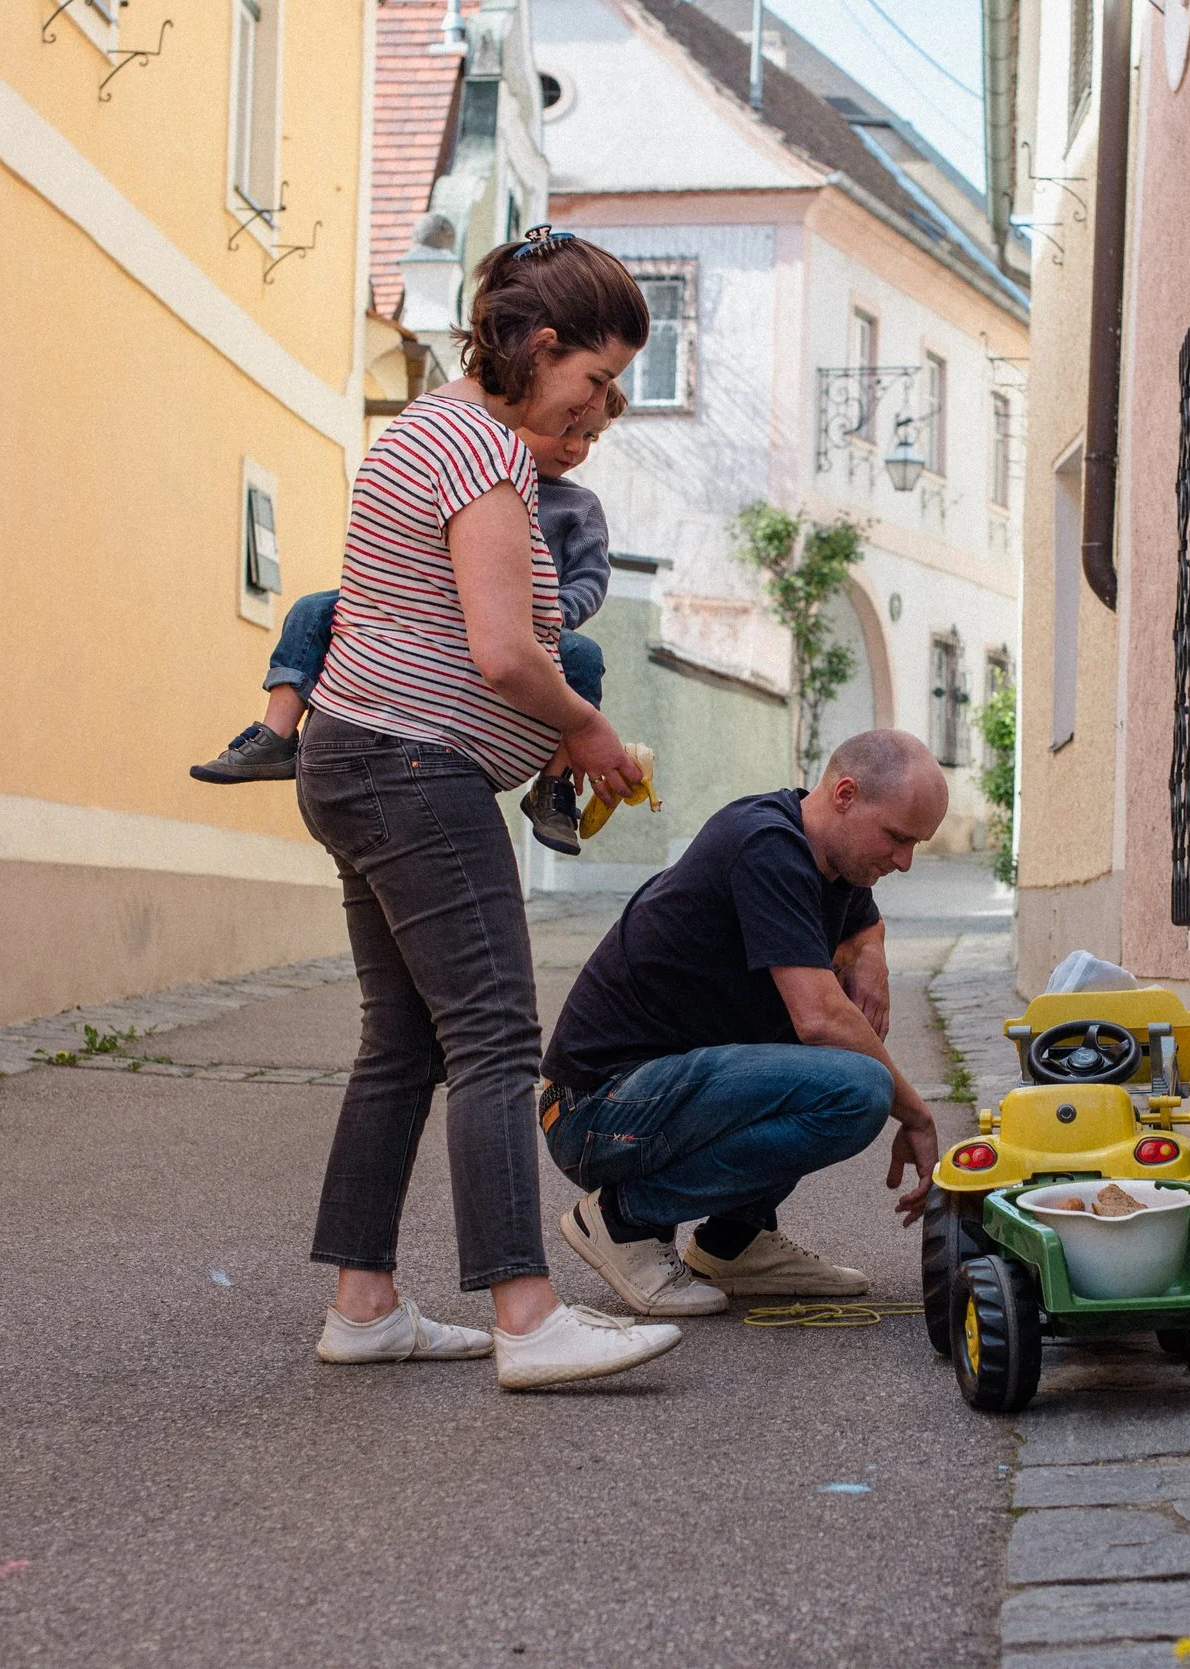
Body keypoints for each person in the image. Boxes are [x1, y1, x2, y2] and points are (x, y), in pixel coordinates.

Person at [295, 225, 676, 1390]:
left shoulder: (426, 429)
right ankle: (528, 1314)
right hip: (415, 770)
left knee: (401, 1045)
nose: (601, 410)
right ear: (540, 345)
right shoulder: (483, 454)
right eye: (597, 381)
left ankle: (365, 1304)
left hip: (356, 756)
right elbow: (506, 655)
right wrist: (590, 729)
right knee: (497, 1039)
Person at [535, 730, 950, 1317]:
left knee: (839, 1054)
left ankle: (736, 1241)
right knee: (857, 1088)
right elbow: (817, 1016)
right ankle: (621, 1221)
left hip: (652, 1092)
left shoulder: (833, 858)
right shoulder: (766, 846)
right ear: (846, 795)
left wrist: (871, 957)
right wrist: (918, 1113)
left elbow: (862, 920)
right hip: (595, 1109)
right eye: (898, 838)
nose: (904, 862)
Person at [190, 384, 627, 853]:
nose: (574, 447)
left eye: (590, 437)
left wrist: (555, 611)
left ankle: (553, 787)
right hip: (420, 609)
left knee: (584, 659)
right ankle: (275, 734)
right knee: (312, 608)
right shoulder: (473, 459)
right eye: (568, 428)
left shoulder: (579, 507)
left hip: (520, 632)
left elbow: (589, 579)